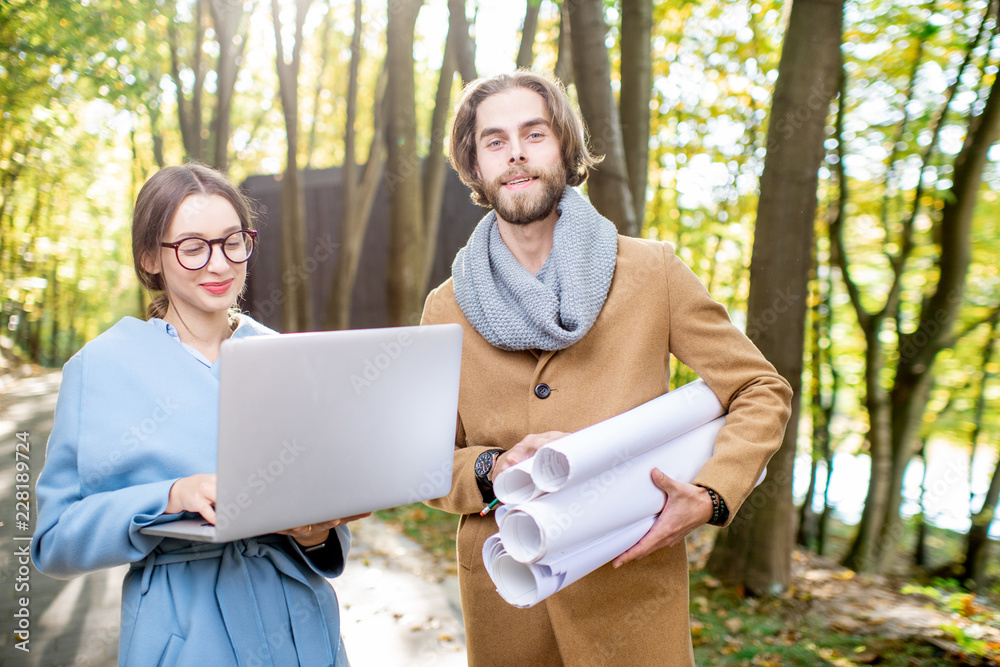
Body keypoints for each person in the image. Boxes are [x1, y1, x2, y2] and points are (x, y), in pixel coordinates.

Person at [420, 71, 794, 666]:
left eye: (533, 133)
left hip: (632, 590)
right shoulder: (445, 306)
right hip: (507, 597)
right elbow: (427, 462)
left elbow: (759, 388)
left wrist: (710, 493)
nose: (515, 152)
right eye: (494, 141)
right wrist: (491, 467)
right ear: (475, 165)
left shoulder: (652, 272)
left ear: (565, 147)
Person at [31, 163, 366, 666]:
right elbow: (55, 541)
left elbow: (322, 527)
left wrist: (315, 532)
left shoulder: (285, 356)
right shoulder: (100, 368)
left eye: (233, 241)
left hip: (299, 625)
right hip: (184, 632)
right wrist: (169, 497)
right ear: (150, 258)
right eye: (193, 247)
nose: (220, 264)